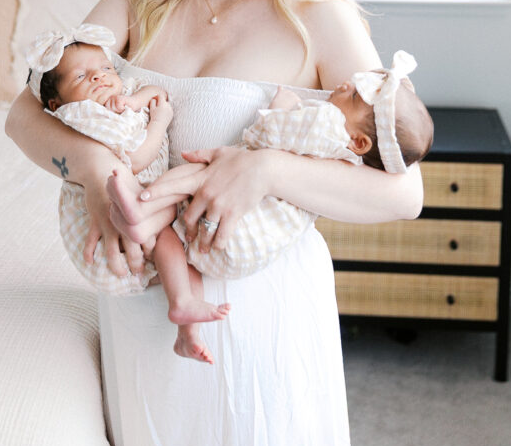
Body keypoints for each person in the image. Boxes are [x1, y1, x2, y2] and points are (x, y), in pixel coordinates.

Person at [6, 0, 424, 446]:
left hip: (259, 311)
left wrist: (264, 169)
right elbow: (24, 114)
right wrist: (93, 166)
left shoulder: (316, 14)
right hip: (143, 307)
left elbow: (401, 193)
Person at [109, 49, 433, 281]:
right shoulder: (347, 145)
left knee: (191, 176)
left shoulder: (327, 127)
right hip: (245, 239)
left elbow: (276, 132)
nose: (346, 85)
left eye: (354, 96)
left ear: (360, 143)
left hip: (244, 223)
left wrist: (282, 110)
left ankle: (144, 202)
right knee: (191, 189)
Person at [24, 24, 230, 364]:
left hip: (152, 196)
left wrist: (135, 99)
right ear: (55, 102)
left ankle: (187, 326)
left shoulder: (120, 93)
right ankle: (139, 223)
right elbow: (136, 157)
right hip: (123, 193)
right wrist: (159, 123)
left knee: (180, 252)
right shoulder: (82, 116)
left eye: (105, 69)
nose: (99, 78)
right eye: (81, 77)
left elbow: (153, 90)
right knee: (172, 222)